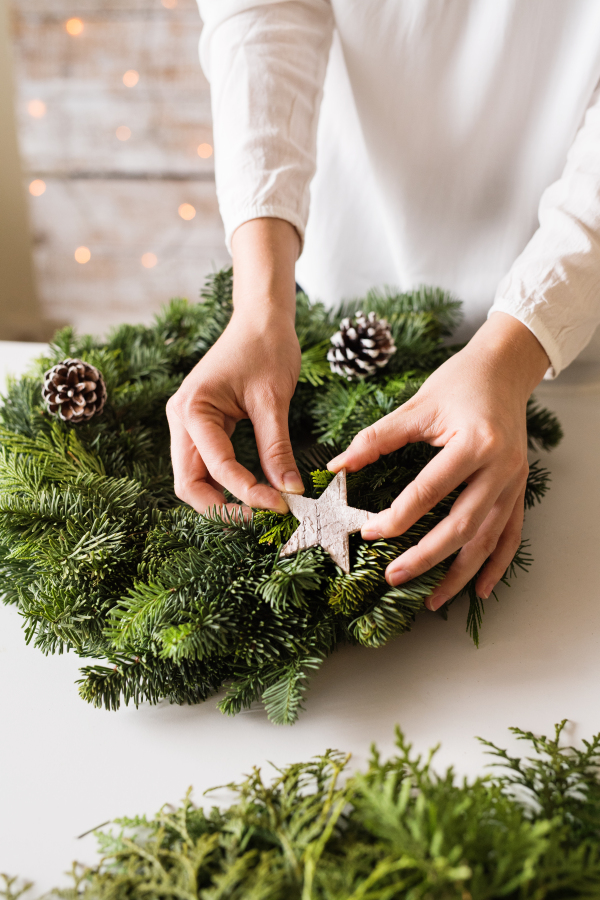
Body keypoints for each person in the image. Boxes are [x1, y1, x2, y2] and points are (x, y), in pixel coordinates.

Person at [167, 1, 600, 612]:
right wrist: (260, 307)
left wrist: (514, 353)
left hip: (567, 340)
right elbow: (262, 14)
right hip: (332, 284)